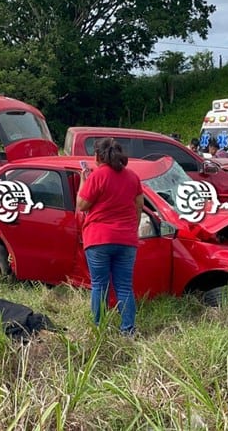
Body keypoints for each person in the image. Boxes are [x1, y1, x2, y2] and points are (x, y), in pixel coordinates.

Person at [76, 138, 144, 335]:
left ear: (98, 156)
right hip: (127, 240)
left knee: (99, 285)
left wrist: (83, 180)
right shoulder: (132, 177)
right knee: (124, 287)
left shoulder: (97, 176)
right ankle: (128, 331)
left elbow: (82, 205)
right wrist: (133, 227)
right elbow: (138, 205)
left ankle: (99, 328)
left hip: (98, 239)